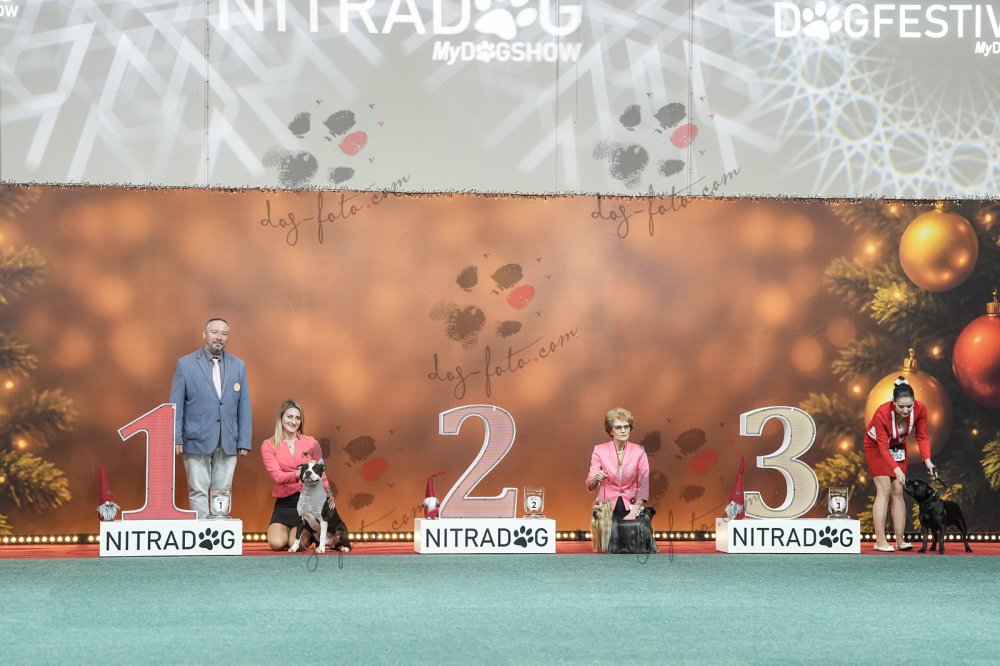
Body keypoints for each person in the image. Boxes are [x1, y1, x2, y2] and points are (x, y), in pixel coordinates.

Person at [170, 317, 252, 519]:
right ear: (204, 334)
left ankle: (219, 528)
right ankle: (202, 531)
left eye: (224, 334)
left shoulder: (238, 365)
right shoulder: (185, 365)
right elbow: (175, 405)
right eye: (215, 332)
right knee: (198, 489)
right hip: (195, 439)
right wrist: (175, 437)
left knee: (223, 489)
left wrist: (244, 440)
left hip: (228, 439)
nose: (219, 337)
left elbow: (244, 405)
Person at [863, 376, 937, 552]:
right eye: (901, 406)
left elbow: (922, 436)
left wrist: (927, 460)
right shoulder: (882, 413)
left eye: (909, 406)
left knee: (898, 491)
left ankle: (900, 540)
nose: (905, 410)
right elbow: (882, 447)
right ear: (893, 402)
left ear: (914, 402)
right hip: (877, 447)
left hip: (897, 447)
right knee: (884, 490)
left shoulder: (920, 409)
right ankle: (880, 541)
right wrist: (896, 469)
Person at [260, 399, 331, 551]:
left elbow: (322, 473)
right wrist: (301, 473)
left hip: (310, 502)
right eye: (290, 417)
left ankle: (313, 534)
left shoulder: (311, 443)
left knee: (295, 543)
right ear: (281, 417)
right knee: (276, 543)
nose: (294, 422)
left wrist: (328, 493)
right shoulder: (268, 445)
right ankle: (299, 533)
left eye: (298, 418)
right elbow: (278, 477)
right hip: (285, 504)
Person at [585, 407, 650, 521]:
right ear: (611, 431)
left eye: (626, 426)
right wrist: (596, 478)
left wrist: (634, 512)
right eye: (618, 427)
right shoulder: (599, 450)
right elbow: (591, 485)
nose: (623, 430)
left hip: (632, 507)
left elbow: (643, 485)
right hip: (605, 508)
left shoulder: (639, 451)